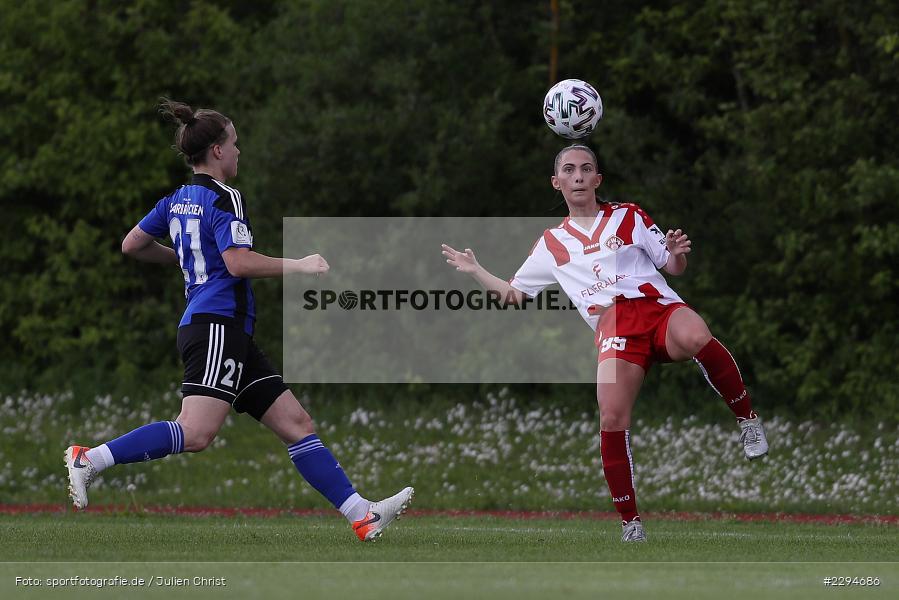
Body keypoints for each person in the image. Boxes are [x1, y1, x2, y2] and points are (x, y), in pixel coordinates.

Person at [64, 99, 413, 542]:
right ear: (216, 151)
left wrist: (190, 264)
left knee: (296, 424)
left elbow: (131, 244)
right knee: (195, 432)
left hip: (226, 330)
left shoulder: (176, 199)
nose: (239, 152)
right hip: (215, 325)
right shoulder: (224, 196)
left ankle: (361, 514)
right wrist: (300, 265)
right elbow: (238, 264)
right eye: (235, 144)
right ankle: (89, 459)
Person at [442, 144, 767, 543]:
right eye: (569, 170)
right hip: (614, 327)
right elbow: (514, 294)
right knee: (611, 417)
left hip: (657, 309)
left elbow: (672, 266)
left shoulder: (629, 216)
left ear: (598, 179)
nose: (578, 176)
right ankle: (631, 524)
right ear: (556, 182)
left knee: (698, 335)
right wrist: (476, 271)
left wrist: (678, 254)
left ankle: (748, 421)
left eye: (586, 169)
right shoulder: (551, 243)